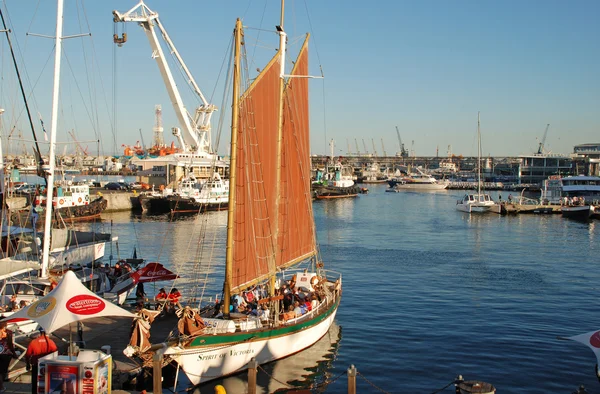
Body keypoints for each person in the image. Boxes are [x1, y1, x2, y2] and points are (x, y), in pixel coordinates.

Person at [26, 328, 57, 394]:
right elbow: (56, 354)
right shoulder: (50, 342)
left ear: (40, 332)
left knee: (35, 382)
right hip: (47, 365)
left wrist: (27, 364)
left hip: (36, 365)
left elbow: (28, 354)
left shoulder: (34, 342)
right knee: (47, 382)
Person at [0, 321, 16, 392]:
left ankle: (1, 386)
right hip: (6, 353)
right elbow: (10, 344)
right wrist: (14, 353)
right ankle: (1, 387)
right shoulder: (9, 332)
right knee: (2, 372)